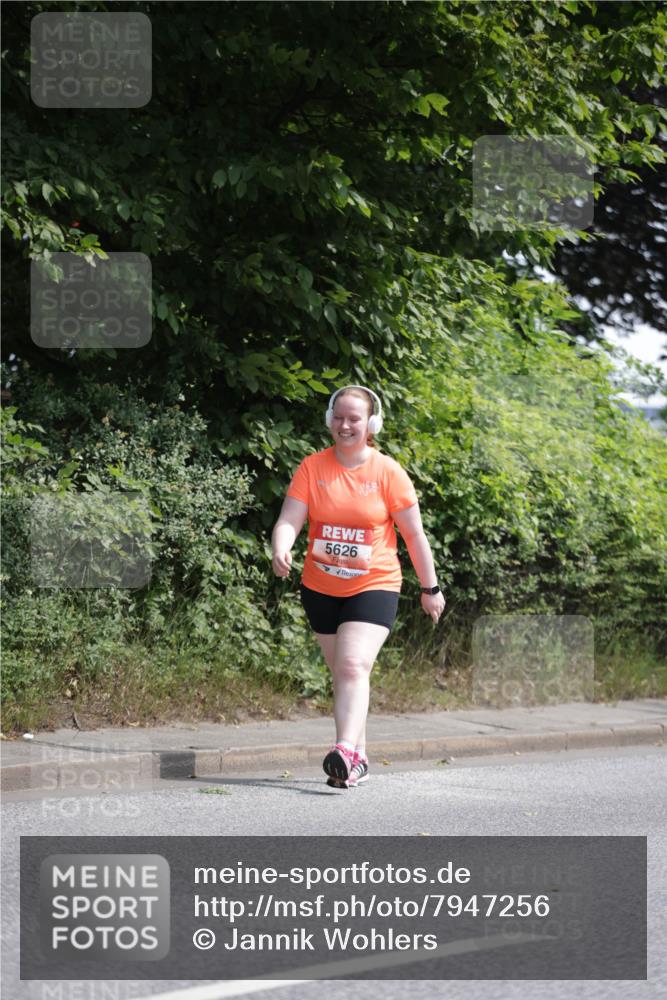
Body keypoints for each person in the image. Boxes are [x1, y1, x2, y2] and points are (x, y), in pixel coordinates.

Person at [270, 384, 446, 789]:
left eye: (354, 419)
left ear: (371, 424)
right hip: (319, 587)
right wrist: (282, 548)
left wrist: (430, 587)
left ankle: (344, 749)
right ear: (329, 420)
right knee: (346, 675)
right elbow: (289, 519)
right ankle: (358, 760)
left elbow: (415, 536)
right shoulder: (313, 467)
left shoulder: (388, 472)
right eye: (339, 417)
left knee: (352, 665)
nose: (345, 425)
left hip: (375, 584)